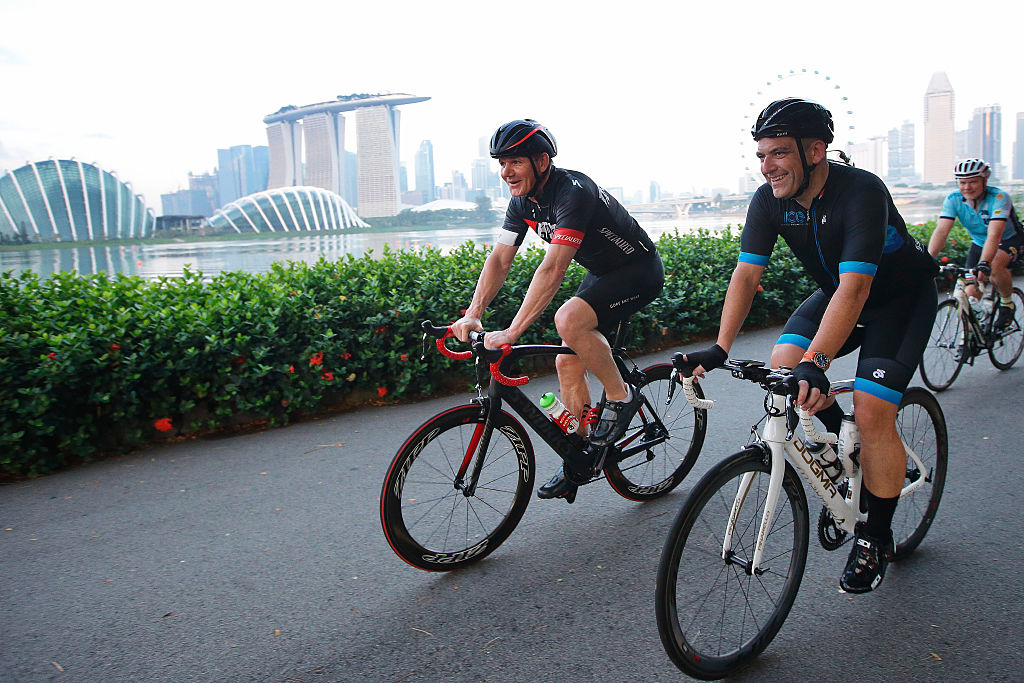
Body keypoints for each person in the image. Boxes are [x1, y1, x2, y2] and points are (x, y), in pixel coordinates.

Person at [683, 98, 938, 593]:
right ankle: (851, 448)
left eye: (779, 153)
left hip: (897, 301)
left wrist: (817, 363)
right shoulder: (768, 200)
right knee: (784, 365)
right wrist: (719, 347)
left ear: (816, 150)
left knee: (871, 409)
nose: (768, 166)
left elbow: (857, 288)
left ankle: (875, 536)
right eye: (761, 155)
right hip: (836, 295)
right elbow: (746, 274)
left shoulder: (861, 190)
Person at [451, 119, 664, 501]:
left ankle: (621, 397)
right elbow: (500, 259)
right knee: (568, 360)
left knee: (568, 320)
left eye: (514, 162)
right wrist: (473, 312)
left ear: (542, 160)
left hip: (639, 271)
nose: (506, 172)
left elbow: (553, 268)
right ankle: (582, 454)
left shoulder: (574, 191)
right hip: (604, 273)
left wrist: (513, 332)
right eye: (501, 163)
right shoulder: (522, 203)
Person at [928, 158, 1024, 329]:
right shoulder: (953, 199)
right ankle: (977, 329)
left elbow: (994, 234)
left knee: (994, 267)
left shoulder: (999, 197)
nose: (967, 187)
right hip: (979, 242)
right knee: (970, 289)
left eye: (973, 182)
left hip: (1008, 240)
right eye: (962, 182)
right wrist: (927, 259)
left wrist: (984, 263)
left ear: (984, 180)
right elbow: (942, 231)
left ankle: (1007, 303)